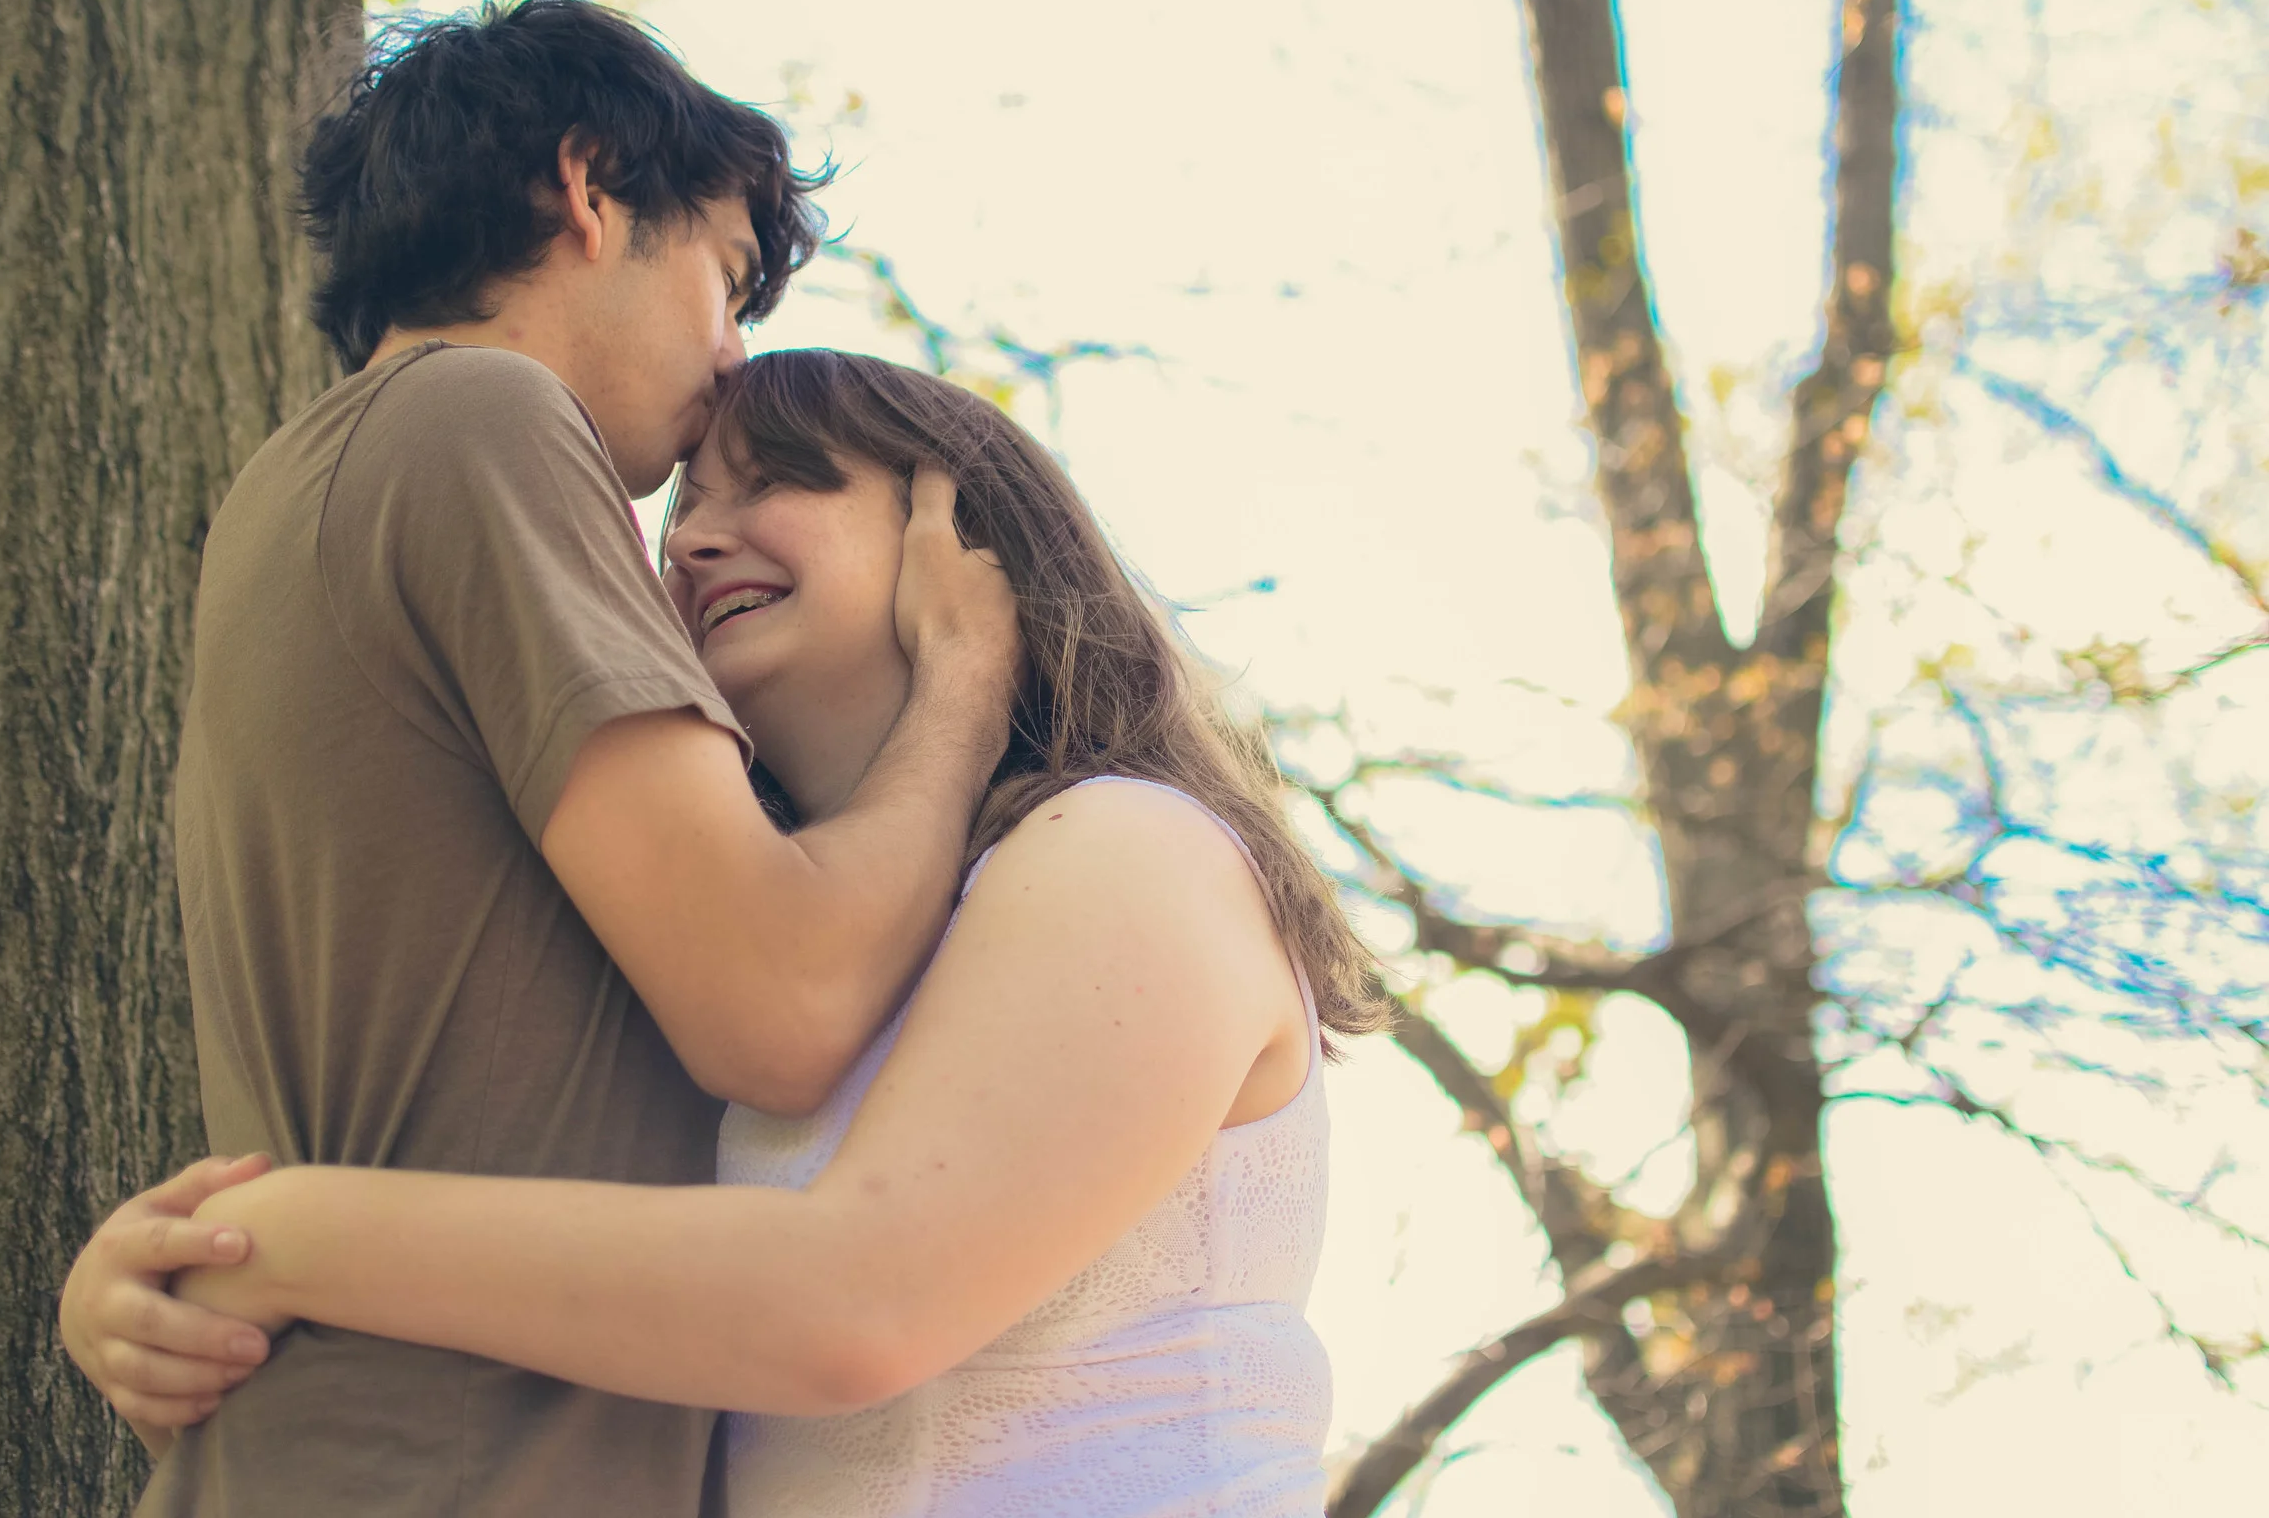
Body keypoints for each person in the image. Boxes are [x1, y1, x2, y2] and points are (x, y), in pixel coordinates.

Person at [67, 349, 1392, 1516]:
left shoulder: (1130, 848)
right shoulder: (734, 989)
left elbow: (854, 1305)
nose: (694, 542)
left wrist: (283, 1242)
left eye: (775, 483)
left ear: (966, 537)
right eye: (683, 510)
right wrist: (157, 1296)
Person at [57, 0, 1024, 1516]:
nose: (735, 355)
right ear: (589, 189)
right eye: (727, 278)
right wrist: (964, 688)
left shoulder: (315, 488)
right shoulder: (483, 417)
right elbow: (779, 1007)